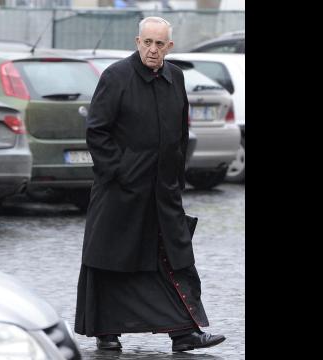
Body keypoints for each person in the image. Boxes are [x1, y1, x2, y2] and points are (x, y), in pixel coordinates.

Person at [74, 17, 226, 352]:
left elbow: (180, 134)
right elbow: (96, 131)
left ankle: (184, 332)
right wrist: (121, 171)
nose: (153, 50)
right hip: (120, 192)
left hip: (163, 191)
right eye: (147, 42)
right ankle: (106, 331)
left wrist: (176, 176)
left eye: (160, 44)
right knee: (112, 260)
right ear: (137, 41)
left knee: (173, 258)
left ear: (169, 47)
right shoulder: (117, 76)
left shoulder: (176, 77)